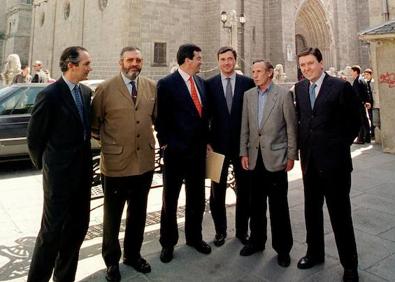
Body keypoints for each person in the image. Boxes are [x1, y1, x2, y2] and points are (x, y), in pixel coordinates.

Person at [27, 46, 93, 282]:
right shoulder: (50, 94)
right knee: (51, 233)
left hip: (82, 175)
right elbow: (35, 138)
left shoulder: (85, 93)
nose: (90, 68)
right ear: (71, 65)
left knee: (77, 230)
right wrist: (49, 167)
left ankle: (64, 277)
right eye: (86, 64)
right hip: (58, 178)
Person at [294, 47, 360, 282]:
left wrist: (338, 146)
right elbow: (303, 120)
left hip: (335, 165)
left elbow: (356, 122)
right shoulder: (300, 89)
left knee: (340, 216)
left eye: (310, 63)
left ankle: (349, 265)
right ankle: (314, 253)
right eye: (302, 65)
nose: (306, 68)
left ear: (321, 63)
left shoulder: (340, 87)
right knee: (311, 212)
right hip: (310, 163)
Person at [91, 46, 157, 281]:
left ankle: (133, 255)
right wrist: (115, 145)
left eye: (138, 60)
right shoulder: (105, 89)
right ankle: (111, 262)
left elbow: (155, 120)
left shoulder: (150, 87)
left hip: (144, 164)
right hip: (116, 166)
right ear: (121, 62)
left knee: (138, 214)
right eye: (130, 60)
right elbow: (94, 126)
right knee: (112, 217)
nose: (134, 64)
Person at [155, 43, 211, 263]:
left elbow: (203, 117)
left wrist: (206, 142)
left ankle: (194, 238)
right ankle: (167, 244)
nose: (201, 61)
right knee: (170, 200)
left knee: (197, 198)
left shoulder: (201, 83)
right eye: (198, 58)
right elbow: (161, 120)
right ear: (187, 60)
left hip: (197, 154)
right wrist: (166, 145)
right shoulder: (167, 84)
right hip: (176, 154)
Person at [239, 60, 297, 267]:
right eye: (253, 71)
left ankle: (283, 249)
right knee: (255, 205)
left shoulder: (283, 95)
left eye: (259, 71)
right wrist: (243, 152)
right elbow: (245, 127)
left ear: (270, 73)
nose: (254, 75)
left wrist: (291, 156)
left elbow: (291, 128)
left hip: (276, 160)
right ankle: (256, 241)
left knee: (278, 207)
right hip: (254, 160)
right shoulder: (248, 96)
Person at [206, 46, 255, 247]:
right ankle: (220, 231)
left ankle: (242, 231)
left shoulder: (247, 83)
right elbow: (205, 116)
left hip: (242, 147)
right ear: (218, 61)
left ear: (235, 61)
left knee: (244, 190)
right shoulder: (209, 85)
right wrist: (206, 142)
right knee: (217, 191)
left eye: (230, 59)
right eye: (223, 59)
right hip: (216, 148)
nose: (226, 62)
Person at [351, 65, 371, 144]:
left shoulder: (357, 81)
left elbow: (357, 94)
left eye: (352, 71)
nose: (351, 73)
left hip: (359, 104)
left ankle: (361, 139)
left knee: (360, 121)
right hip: (362, 103)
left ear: (356, 72)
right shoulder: (362, 80)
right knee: (365, 120)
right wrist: (366, 101)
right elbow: (365, 92)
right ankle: (367, 138)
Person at [363, 68, 375, 139]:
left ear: (371, 75)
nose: (366, 76)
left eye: (367, 74)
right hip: (369, 102)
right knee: (370, 117)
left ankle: (373, 133)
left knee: (374, 117)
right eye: (365, 75)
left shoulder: (373, 82)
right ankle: (372, 133)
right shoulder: (365, 82)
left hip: (374, 101)